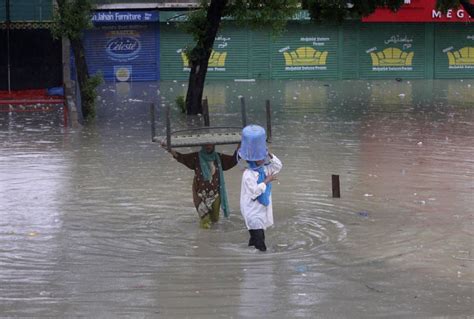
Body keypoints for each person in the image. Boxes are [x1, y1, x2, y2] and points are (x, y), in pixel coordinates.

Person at [162, 143, 239, 229]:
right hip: (200, 195)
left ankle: (214, 241)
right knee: (205, 222)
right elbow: (181, 157)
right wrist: (168, 149)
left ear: (214, 146)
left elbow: (233, 160)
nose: (208, 146)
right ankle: (204, 240)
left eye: (210, 145)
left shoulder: (219, 158)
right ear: (202, 146)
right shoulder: (196, 157)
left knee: (215, 221)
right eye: (206, 145)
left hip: (216, 195)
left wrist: (241, 145)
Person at [240, 152, 282, 251]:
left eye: (263, 156)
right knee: (261, 246)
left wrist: (269, 153)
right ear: (252, 160)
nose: (262, 158)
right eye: (258, 157)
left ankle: (251, 262)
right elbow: (254, 192)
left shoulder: (264, 169)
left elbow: (278, 166)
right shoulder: (248, 174)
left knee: (255, 241)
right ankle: (262, 264)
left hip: (261, 211)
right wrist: (266, 181)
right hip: (252, 212)